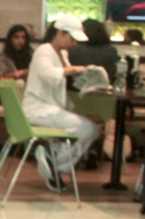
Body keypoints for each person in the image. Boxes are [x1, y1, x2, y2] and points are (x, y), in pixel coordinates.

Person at [22, 14, 99, 191]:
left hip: (51, 108)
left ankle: (53, 160)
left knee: (92, 130)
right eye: (72, 38)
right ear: (60, 33)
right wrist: (72, 69)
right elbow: (48, 73)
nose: (74, 43)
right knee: (87, 128)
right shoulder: (44, 51)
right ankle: (55, 163)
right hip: (37, 109)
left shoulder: (62, 53)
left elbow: (60, 78)